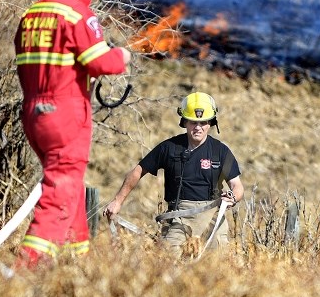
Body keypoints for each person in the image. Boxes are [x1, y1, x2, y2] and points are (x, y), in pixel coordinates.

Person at [14, 0, 132, 268]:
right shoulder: (77, 13)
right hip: (65, 116)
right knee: (61, 187)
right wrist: (122, 55)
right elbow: (102, 63)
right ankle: (25, 270)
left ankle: (79, 263)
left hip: (34, 114)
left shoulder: (34, 13)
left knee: (70, 188)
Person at [104, 92, 244, 256]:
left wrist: (232, 197)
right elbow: (138, 171)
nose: (198, 127)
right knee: (167, 259)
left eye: (203, 122)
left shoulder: (221, 151)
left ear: (210, 123)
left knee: (218, 265)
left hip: (213, 215)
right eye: (193, 122)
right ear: (184, 122)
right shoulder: (169, 148)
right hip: (179, 217)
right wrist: (117, 201)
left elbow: (237, 186)